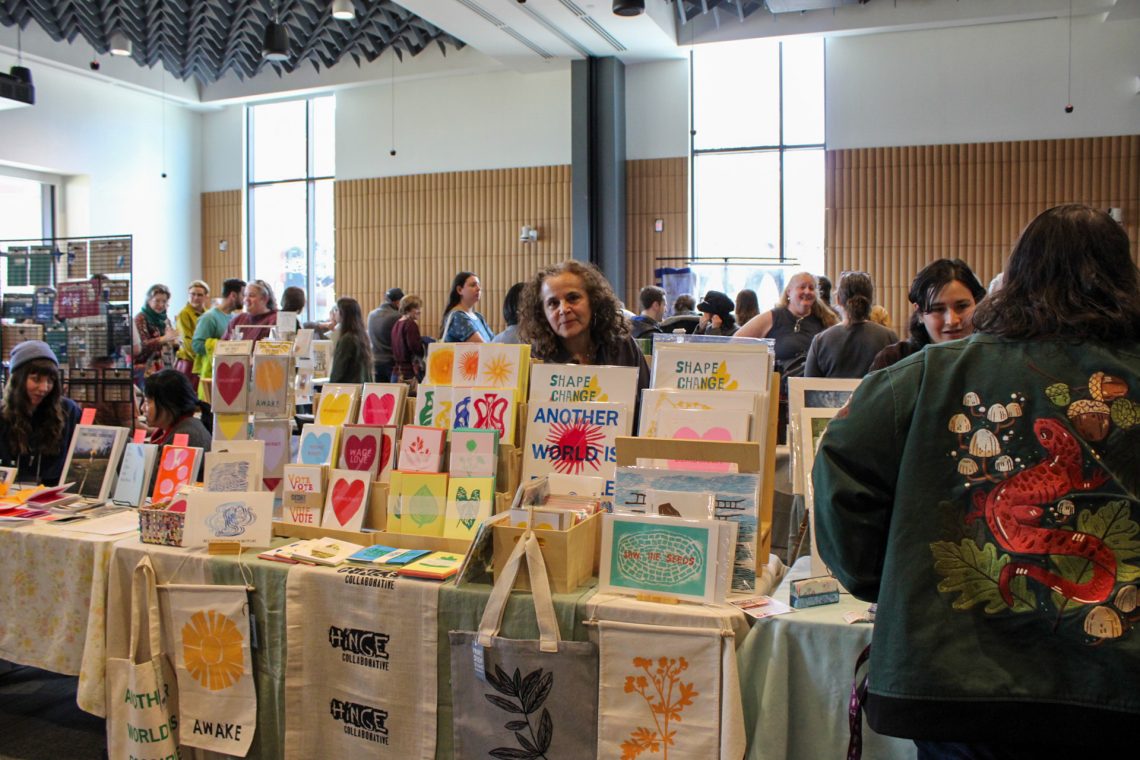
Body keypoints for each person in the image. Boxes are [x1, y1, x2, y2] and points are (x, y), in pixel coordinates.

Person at [813, 205, 1140, 757]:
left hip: (955, 685)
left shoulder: (919, 377)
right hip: (1115, 687)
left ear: (1014, 279)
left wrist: (893, 582)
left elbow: (841, 473)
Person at [518, 260, 650, 393]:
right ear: (542, 313)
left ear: (593, 301)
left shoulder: (623, 347)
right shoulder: (534, 361)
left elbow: (647, 406)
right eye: (553, 303)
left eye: (573, 298)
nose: (563, 309)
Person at [869, 258, 987, 371]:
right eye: (938, 309)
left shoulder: (992, 359)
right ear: (919, 313)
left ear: (978, 305)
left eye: (962, 306)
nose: (951, 320)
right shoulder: (893, 361)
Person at [0, 341, 81, 486]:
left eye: (50, 380)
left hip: (54, 497)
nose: (44, 388)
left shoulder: (68, 411)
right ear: (18, 379)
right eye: (36, 379)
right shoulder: (2, 415)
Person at [737, 272, 838, 376]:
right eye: (802, 287)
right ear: (789, 292)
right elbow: (734, 343)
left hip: (814, 386)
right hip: (778, 387)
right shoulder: (771, 317)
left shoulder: (827, 320)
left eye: (811, 288)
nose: (807, 291)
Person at [804, 272, 897, 378]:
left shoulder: (820, 341)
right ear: (871, 300)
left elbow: (809, 387)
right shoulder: (889, 337)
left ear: (838, 299)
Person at [191, 278, 245, 404]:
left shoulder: (234, 318)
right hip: (211, 375)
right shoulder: (209, 318)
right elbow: (196, 345)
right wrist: (223, 346)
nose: (245, 298)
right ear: (233, 295)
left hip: (229, 376)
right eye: (243, 294)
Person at [143, 369, 211, 451]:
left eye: (147, 402)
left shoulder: (186, 435)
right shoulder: (174, 429)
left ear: (169, 403)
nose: (142, 408)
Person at [133, 283, 180, 389]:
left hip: (163, 367)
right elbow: (141, 347)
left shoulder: (164, 319)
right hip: (145, 370)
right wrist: (163, 339)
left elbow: (170, 342)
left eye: (164, 301)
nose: (161, 304)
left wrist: (174, 343)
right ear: (149, 300)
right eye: (157, 301)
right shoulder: (140, 318)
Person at [173, 280, 210, 392]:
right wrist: (203, 357)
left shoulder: (208, 313)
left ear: (206, 297)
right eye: (192, 294)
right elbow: (187, 341)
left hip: (204, 360)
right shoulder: (184, 314)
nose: (195, 297)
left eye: (199, 295)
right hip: (189, 362)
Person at [328, 297, 372, 384]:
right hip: (361, 386)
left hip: (348, 389)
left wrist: (330, 388)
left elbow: (338, 370)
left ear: (343, 313)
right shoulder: (361, 335)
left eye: (336, 310)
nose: (334, 313)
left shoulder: (347, 339)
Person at [441, 271, 494, 343]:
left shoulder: (478, 316)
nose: (478, 289)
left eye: (479, 285)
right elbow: (482, 347)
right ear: (459, 290)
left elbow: (494, 342)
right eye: (473, 285)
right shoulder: (457, 316)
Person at [367, 287, 404, 382]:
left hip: (375, 360)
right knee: (394, 394)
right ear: (398, 302)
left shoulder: (371, 314)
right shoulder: (397, 316)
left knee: (381, 393)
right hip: (391, 362)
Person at [391, 295, 426, 384]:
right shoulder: (410, 324)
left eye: (419, 307)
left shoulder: (397, 324)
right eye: (415, 308)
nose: (419, 311)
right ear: (407, 309)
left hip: (396, 372)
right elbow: (415, 348)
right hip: (408, 375)